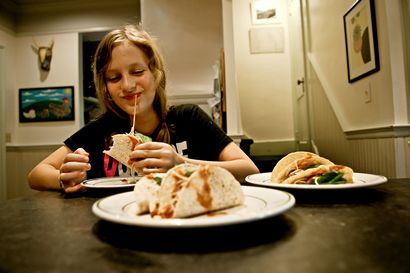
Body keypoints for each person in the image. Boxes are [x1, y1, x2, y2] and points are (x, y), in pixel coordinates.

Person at [28, 24, 259, 193]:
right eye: (114, 77)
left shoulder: (189, 119)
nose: (128, 85)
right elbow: (36, 175)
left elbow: (249, 170)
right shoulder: (100, 129)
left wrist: (182, 164)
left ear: (156, 73)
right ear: (105, 87)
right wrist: (64, 178)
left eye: (137, 72)